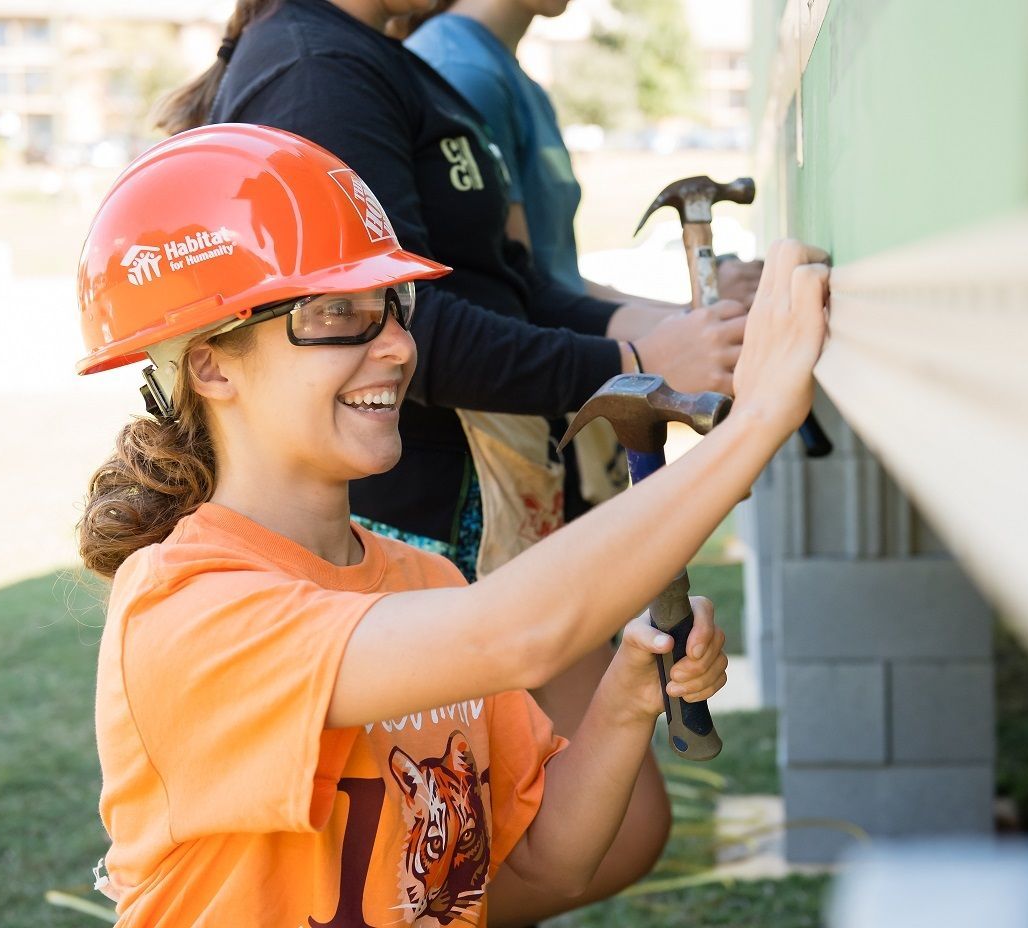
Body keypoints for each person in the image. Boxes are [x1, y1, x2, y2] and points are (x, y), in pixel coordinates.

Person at [75, 124, 829, 925]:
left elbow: (546, 865)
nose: (398, 346)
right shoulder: (185, 607)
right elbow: (510, 636)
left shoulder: (424, 581)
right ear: (212, 365)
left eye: (391, 307)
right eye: (337, 315)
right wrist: (755, 425)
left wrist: (626, 696)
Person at [400, 0, 762, 308]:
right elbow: (521, 295)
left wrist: (692, 311)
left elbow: (560, 282)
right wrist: (688, 316)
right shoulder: (462, 71)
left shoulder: (515, 80)